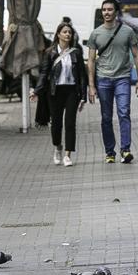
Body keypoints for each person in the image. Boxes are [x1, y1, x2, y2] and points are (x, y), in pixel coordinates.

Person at [86, 0, 138, 164]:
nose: (106, 12)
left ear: (116, 12)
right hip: (103, 80)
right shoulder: (95, 33)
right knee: (106, 117)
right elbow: (90, 61)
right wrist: (91, 86)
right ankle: (109, 152)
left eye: (110, 9)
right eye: (104, 10)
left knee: (124, 113)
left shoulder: (127, 31)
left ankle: (125, 150)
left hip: (122, 78)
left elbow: (137, 55)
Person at [30, 19, 88, 167]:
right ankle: (57, 147)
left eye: (69, 32)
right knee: (56, 123)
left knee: (70, 123)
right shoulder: (50, 52)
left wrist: (83, 96)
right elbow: (44, 73)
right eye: (65, 32)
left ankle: (68, 155)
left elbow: (82, 75)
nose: (68, 34)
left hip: (71, 91)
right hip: (54, 92)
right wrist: (37, 91)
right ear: (58, 34)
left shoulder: (76, 52)